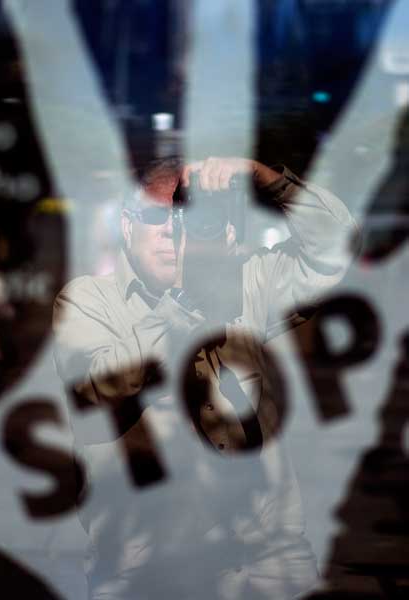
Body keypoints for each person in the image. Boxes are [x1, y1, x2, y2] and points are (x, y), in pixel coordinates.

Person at [53, 156, 357, 600]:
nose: (173, 235)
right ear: (126, 224)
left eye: (187, 221)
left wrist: (264, 177)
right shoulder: (87, 300)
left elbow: (335, 249)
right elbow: (97, 384)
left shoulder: (243, 283)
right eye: (158, 219)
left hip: (264, 553)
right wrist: (182, 301)